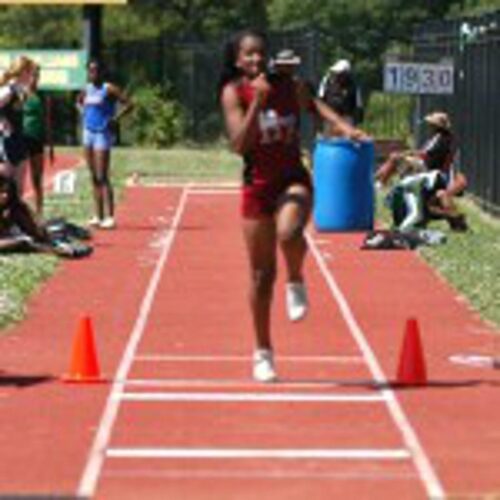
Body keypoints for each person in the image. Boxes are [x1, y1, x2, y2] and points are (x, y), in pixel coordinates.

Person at [217, 29, 366, 382]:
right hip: (256, 188)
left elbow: (313, 104)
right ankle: (263, 352)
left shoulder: (287, 84)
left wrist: (344, 127)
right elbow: (239, 144)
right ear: (238, 60)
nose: (255, 59)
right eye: (248, 55)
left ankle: (296, 278)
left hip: (292, 179)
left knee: (289, 231)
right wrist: (257, 101)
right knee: (261, 276)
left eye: (260, 53)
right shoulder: (233, 92)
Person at [376, 111, 468, 229]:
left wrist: (406, 154)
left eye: (431, 124)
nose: (429, 126)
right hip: (430, 169)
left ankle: (379, 184)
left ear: (436, 126)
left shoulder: (442, 138)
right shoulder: (440, 137)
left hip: (431, 171)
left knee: (395, 158)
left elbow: (425, 155)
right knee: (395, 158)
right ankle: (379, 180)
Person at [77, 59, 133, 229]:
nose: (93, 74)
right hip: (88, 133)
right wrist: (83, 113)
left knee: (103, 175)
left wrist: (115, 119)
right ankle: (97, 215)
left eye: (96, 70)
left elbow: (130, 104)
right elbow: (78, 102)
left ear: (101, 72)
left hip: (102, 133)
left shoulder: (108, 88)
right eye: (90, 71)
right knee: (93, 176)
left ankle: (110, 217)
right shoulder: (86, 89)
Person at [0, 172, 92, 257]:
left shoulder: (14, 207)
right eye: (2, 192)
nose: (5, 196)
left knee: (41, 231)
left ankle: (64, 235)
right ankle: (61, 250)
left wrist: (37, 227)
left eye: (7, 192)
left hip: (16, 234)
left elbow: (34, 227)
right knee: (24, 243)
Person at [0, 56, 37, 194]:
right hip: (6, 141)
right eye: (30, 72)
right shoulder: (8, 90)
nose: (32, 76)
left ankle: (16, 215)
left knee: (18, 190)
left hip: (19, 139)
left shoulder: (22, 90)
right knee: (6, 189)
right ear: (22, 72)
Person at [22, 64, 46, 217]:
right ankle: (18, 213)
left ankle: (39, 213)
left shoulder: (42, 95)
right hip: (23, 138)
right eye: (32, 75)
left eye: (37, 76)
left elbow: (48, 120)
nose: (35, 79)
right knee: (20, 178)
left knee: (37, 178)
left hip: (38, 139)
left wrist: (50, 145)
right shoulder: (21, 94)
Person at [317, 59, 364, 131]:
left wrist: (356, 122)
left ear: (346, 74)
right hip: (329, 118)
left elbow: (358, 105)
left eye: (340, 74)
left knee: (345, 141)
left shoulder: (353, 85)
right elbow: (320, 100)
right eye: (337, 73)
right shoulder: (326, 81)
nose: (338, 76)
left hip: (346, 119)